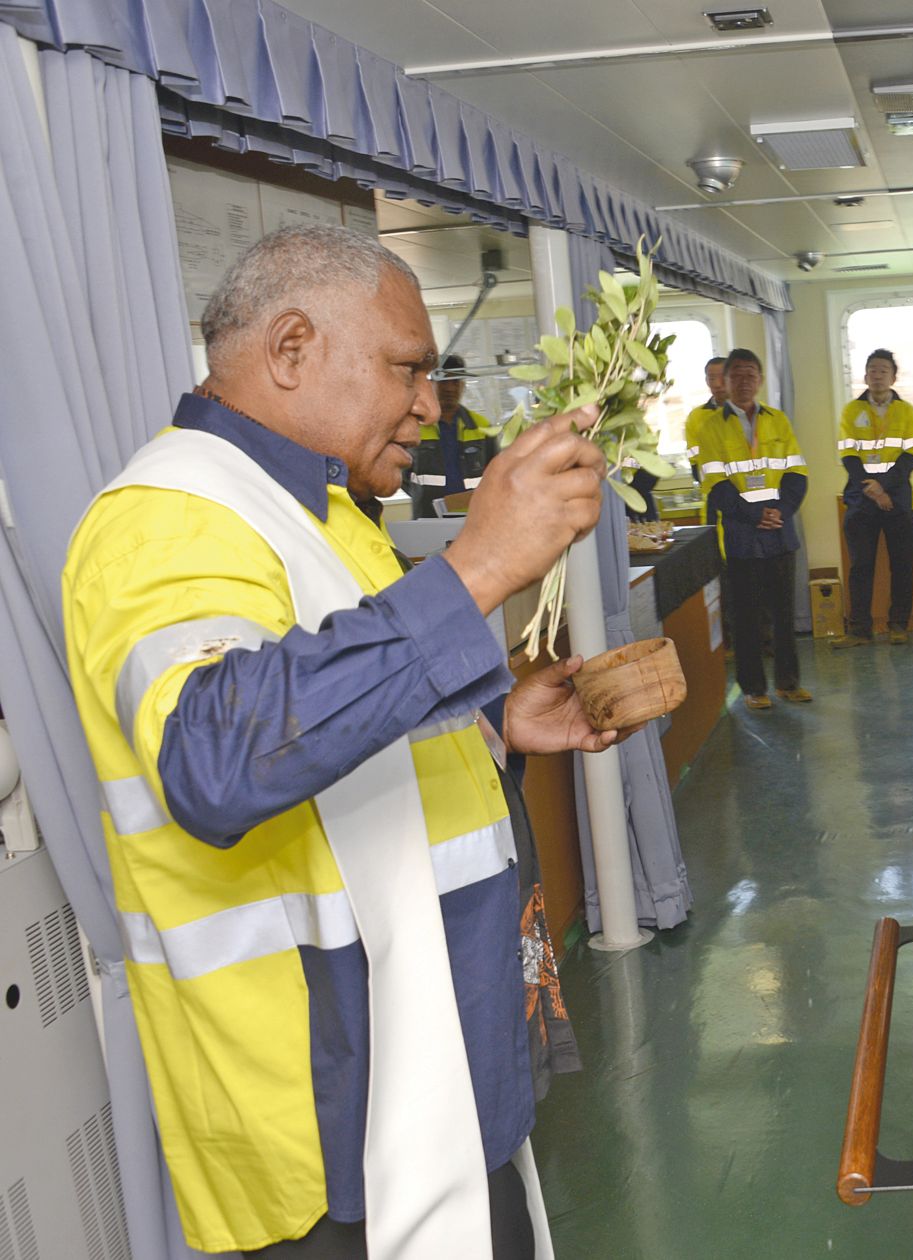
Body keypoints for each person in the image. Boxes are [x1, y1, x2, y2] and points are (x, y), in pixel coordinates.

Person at [61, 226, 620, 1257]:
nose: (429, 404)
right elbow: (218, 754)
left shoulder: (325, 515)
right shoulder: (165, 520)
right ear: (289, 351)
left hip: (435, 1065)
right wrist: (476, 570)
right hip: (326, 1117)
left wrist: (494, 721)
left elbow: (344, 715)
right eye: (408, 368)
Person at [699, 348, 812, 709]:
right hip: (740, 537)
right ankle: (753, 689)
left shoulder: (778, 420)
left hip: (780, 532)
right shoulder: (711, 427)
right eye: (736, 375)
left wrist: (781, 510)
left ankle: (788, 683)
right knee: (745, 618)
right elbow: (715, 486)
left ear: (760, 380)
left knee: (783, 615)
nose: (744, 381)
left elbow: (796, 472)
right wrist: (754, 515)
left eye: (751, 374)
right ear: (725, 381)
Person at [833, 349, 913, 649]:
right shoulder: (850, 412)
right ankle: (860, 630)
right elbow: (848, 455)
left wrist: (883, 487)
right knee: (860, 567)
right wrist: (872, 489)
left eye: (883, 369)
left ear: (894, 377)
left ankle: (899, 625)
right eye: (872, 369)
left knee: (902, 566)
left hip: (898, 498)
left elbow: (910, 456)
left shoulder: (907, 412)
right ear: (865, 376)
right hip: (860, 499)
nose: (877, 374)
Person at [403, 352, 500, 519]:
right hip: (428, 519)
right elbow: (402, 478)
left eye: (455, 381)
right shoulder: (413, 427)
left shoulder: (481, 426)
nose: (449, 388)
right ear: (430, 383)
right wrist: (426, 496)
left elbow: (497, 474)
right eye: (443, 381)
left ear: (463, 385)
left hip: (473, 519)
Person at [686, 355, 728, 525]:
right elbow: (696, 464)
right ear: (707, 381)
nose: (717, 384)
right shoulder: (697, 417)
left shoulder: (752, 413)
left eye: (723, 377)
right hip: (715, 495)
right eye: (712, 378)